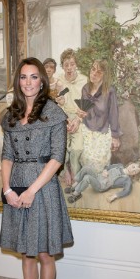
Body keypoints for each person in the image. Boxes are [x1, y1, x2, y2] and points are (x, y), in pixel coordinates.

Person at [0, 57, 74, 279]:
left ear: (42, 81)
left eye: (33, 77)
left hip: (43, 189)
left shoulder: (53, 113)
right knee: (26, 253)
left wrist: (32, 190)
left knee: (43, 253)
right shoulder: (11, 114)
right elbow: (7, 156)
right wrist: (8, 190)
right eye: (23, 77)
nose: (28, 82)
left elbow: (57, 158)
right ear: (18, 82)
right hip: (15, 187)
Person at [75, 59, 122, 173]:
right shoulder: (85, 88)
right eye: (93, 69)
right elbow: (83, 109)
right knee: (84, 157)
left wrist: (115, 137)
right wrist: (81, 114)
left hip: (102, 130)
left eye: (99, 72)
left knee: (98, 164)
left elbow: (114, 114)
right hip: (87, 128)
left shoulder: (110, 91)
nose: (94, 73)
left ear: (105, 75)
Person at [58, 48, 88, 185]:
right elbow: (57, 103)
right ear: (62, 66)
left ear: (76, 65)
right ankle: (65, 172)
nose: (69, 68)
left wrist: (77, 120)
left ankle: (76, 174)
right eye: (66, 65)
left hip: (78, 118)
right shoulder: (59, 80)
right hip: (63, 118)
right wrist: (64, 120)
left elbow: (86, 105)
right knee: (61, 146)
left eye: (72, 64)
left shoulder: (84, 80)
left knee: (76, 148)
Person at [65, 160, 140, 204]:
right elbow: (108, 166)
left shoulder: (127, 180)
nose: (132, 170)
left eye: (135, 171)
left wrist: (115, 196)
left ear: (135, 174)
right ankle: (74, 186)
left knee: (87, 178)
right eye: (133, 167)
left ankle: (76, 194)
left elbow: (127, 191)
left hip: (101, 185)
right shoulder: (119, 165)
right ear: (131, 163)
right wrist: (105, 170)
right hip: (98, 176)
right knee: (86, 168)